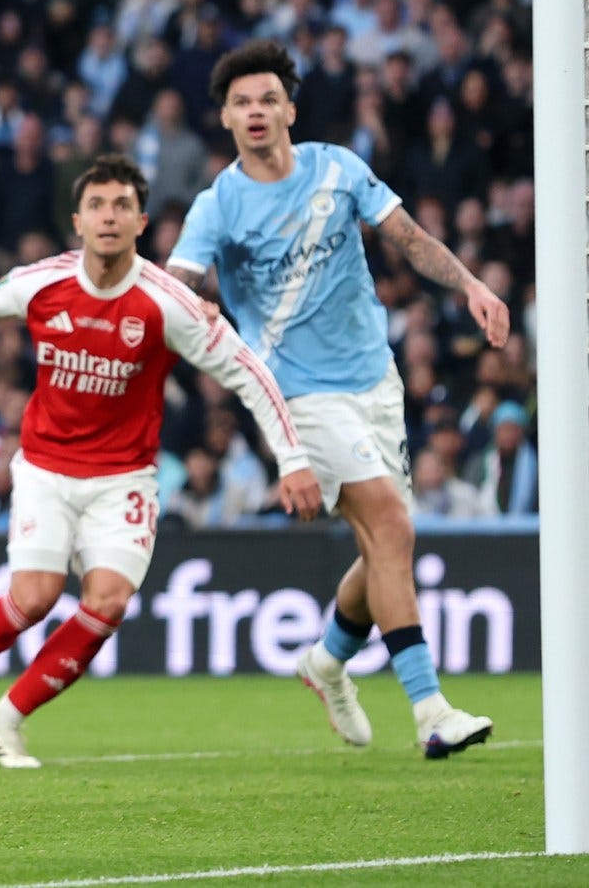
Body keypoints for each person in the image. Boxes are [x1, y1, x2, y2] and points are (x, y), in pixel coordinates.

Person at [0, 153, 317, 770]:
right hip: (47, 467)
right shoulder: (44, 282)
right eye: (97, 205)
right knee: (34, 598)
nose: (109, 217)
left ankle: (3, 722)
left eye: (122, 206)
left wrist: (293, 458)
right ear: (78, 221)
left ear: (141, 222)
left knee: (108, 603)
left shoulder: (169, 303)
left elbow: (248, 372)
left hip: (124, 476)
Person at [166, 40, 508, 758]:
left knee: (387, 545)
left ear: (289, 110)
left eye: (268, 99)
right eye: (241, 102)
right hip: (298, 394)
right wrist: (180, 312)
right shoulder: (217, 206)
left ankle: (325, 661)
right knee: (389, 525)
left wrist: (471, 284)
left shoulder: (338, 168)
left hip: (375, 380)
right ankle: (431, 711)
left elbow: (409, 239)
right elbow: (177, 289)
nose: (255, 112)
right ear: (225, 118)